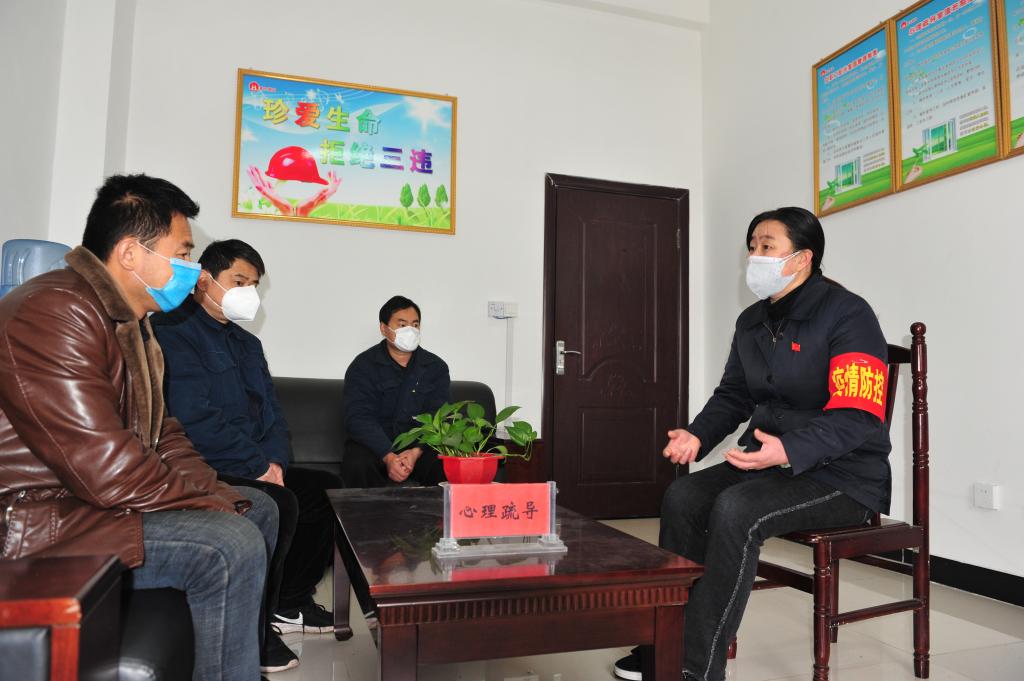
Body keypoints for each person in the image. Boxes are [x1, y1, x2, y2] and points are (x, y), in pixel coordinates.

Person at [0, 174, 278, 681]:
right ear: (130, 253)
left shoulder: (130, 320)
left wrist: (216, 492)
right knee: (230, 542)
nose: (193, 269)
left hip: (88, 505)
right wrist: (208, 504)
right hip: (40, 524)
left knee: (258, 506)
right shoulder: (56, 311)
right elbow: (106, 469)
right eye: (183, 253)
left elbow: (163, 433)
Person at [613, 207, 891, 681]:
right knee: (682, 496)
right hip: (767, 462)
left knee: (736, 509)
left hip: (842, 473)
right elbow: (734, 395)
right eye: (752, 246)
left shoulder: (848, 314)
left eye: (767, 246)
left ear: (802, 258)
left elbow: (859, 414)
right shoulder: (751, 321)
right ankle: (663, 642)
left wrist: (789, 450)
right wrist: (698, 434)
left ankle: (694, 666)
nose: (755, 256)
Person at [152, 240, 342, 663]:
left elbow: (272, 411)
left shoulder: (247, 344)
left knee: (328, 490)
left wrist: (274, 462)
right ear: (205, 280)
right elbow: (193, 417)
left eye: (254, 284)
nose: (249, 293)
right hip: (207, 466)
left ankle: (289, 602)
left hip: (257, 463)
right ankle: (254, 629)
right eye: (239, 281)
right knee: (278, 503)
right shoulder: (172, 333)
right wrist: (257, 466)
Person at [342, 296, 451, 487]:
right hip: (376, 447)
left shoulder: (436, 367)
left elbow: (440, 415)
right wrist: (388, 456)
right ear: (384, 328)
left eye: (415, 325)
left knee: (445, 464)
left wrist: (415, 452)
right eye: (402, 325)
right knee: (357, 463)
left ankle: (439, 509)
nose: (410, 330)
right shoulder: (363, 366)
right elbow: (359, 417)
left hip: (420, 448)